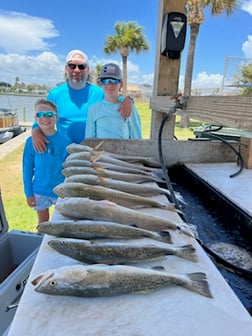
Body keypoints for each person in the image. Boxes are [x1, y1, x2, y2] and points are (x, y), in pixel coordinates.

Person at [32, 49, 133, 152]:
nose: (77, 70)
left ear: (87, 70)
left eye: (81, 66)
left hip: (93, 152)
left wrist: (128, 100)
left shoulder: (99, 92)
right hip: (64, 151)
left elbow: (115, 100)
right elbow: (42, 113)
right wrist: (35, 130)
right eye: (72, 66)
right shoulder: (55, 95)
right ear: (66, 69)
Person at [22, 98, 71, 224]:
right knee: (43, 223)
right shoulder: (30, 142)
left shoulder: (66, 142)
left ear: (57, 118)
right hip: (39, 190)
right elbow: (27, 168)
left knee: (61, 222)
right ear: (35, 118)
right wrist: (28, 193)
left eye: (49, 114)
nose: (45, 117)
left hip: (60, 191)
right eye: (40, 114)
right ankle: (42, 242)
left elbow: (69, 170)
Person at [85, 63, 142, 139]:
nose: (110, 85)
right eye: (105, 81)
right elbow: (89, 140)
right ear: (101, 84)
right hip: (100, 151)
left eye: (114, 81)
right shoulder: (93, 110)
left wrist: (129, 100)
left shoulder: (129, 107)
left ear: (121, 84)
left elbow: (136, 138)